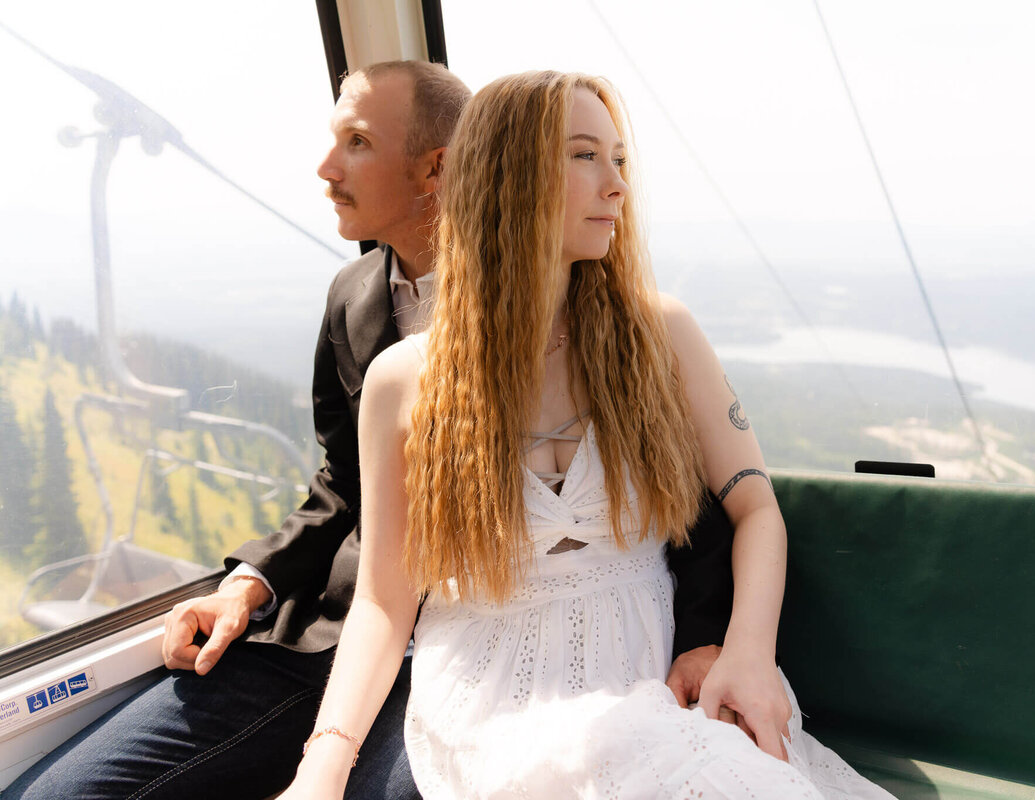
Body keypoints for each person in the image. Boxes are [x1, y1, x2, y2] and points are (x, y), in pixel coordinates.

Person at [4, 60, 736, 800]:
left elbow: (677, 490)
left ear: (439, 168)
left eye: (356, 142)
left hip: (480, 644)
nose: (327, 168)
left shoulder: (600, 310)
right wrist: (250, 584)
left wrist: (707, 636)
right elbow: (342, 481)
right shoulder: (354, 298)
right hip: (335, 629)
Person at [277, 70, 894, 799]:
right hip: (487, 693)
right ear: (508, 177)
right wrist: (323, 765)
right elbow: (384, 603)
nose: (617, 185)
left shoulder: (661, 334)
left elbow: (756, 508)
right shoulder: (403, 379)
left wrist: (747, 654)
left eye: (619, 159)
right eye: (584, 155)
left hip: (646, 671)